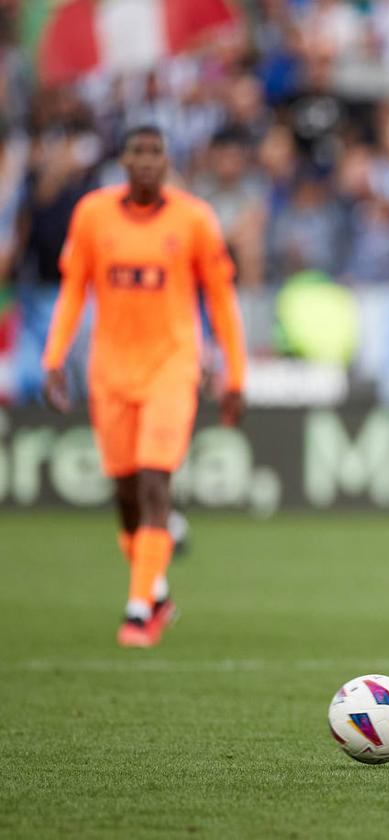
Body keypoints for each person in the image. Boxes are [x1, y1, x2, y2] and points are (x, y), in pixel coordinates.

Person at [41, 125, 246, 648]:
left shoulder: (194, 218)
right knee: (127, 495)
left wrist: (235, 374)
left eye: (157, 152)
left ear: (167, 161)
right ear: (124, 161)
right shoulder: (93, 214)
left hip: (173, 367)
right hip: (110, 369)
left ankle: (137, 613)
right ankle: (156, 592)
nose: (149, 161)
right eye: (139, 152)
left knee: (156, 482)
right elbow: (73, 290)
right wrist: (54, 356)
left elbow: (221, 300)